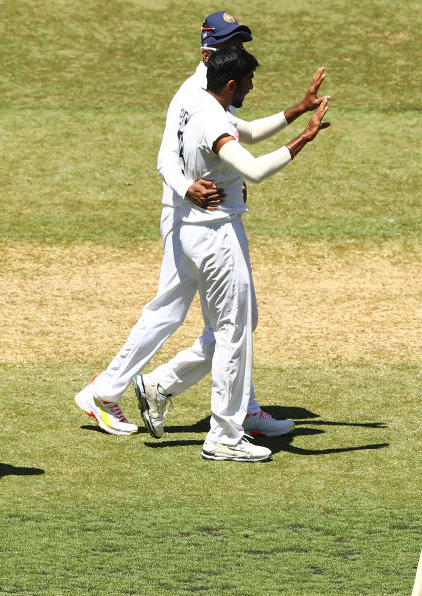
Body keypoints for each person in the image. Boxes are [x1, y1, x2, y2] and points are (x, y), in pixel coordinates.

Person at [75, 10, 327, 441]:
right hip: (191, 216)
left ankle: (240, 407)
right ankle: (114, 389)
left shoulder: (212, 91)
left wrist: (296, 110)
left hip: (201, 216)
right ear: (210, 50)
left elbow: (243, 132)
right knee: (195, 315)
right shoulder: (193, 94)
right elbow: (166, 159)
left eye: (241, 43)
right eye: (233, 44)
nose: (240, 51)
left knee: (230, 318)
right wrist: (188, 188)